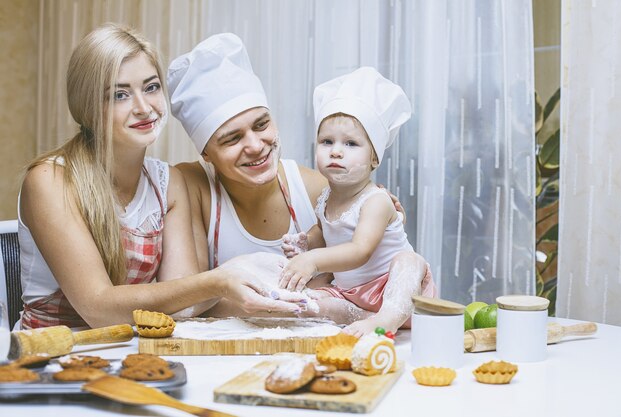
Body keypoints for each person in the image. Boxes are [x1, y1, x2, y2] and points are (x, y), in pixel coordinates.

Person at [17, 24, 301, 329]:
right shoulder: (51, 180)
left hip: (136, 353)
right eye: (120, 95)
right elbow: (97, 308)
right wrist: (219, 280)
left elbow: (183, 305)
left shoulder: (168, 184)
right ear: (87, 107)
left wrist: (253, 277)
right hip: (52, 361)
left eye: (151, 87)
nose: (144, 108)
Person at [169, 33, 425, 324]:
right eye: (232, 139)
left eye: (262, 124)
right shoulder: (192, 186)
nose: (255, 145)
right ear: (206, 153)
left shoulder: (317, 189)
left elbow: (364, 254)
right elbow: (186, 304)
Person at [278, 67, 437, 337]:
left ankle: (387, 319)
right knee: (314, 300)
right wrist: (306, 243)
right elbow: (324, 232)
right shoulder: (325, 198)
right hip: (351, 293)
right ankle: (360, 316)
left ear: (374, 159)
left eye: (351, 144)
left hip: (395, 290)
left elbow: (360, 250)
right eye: (326, 141)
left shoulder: (376, 201)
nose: (336, 151)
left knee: (409, 260)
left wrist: (313, 260)